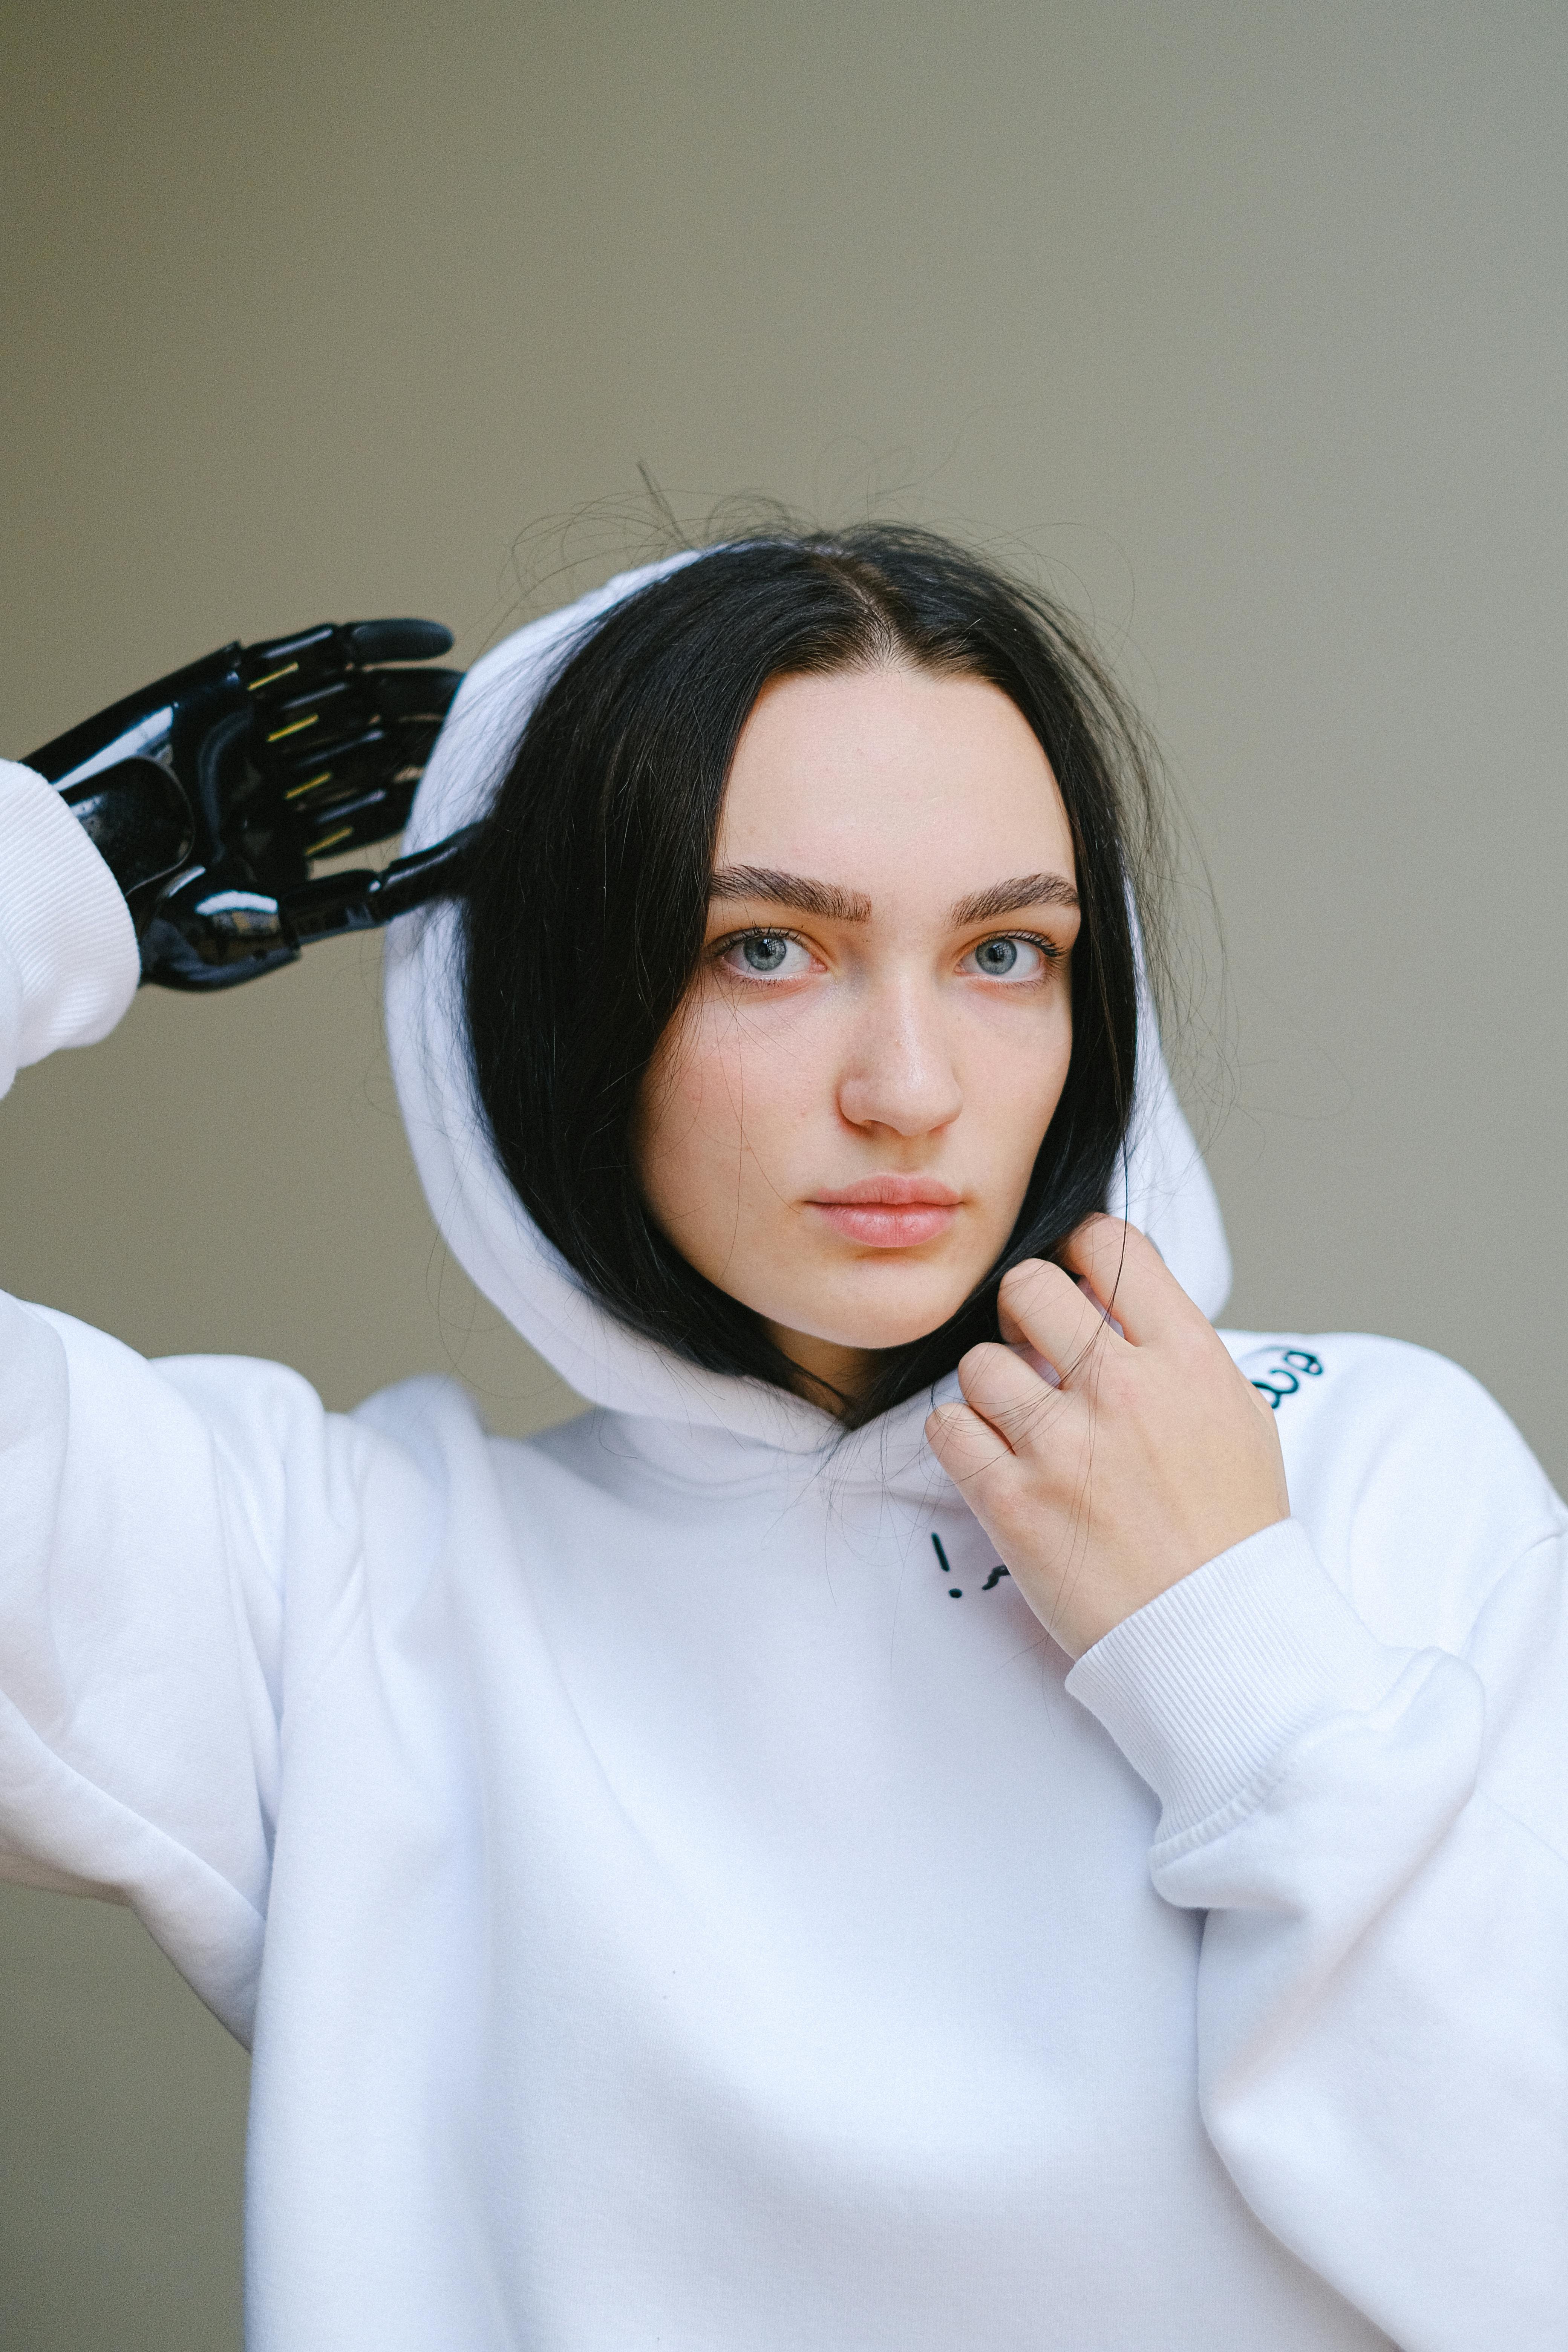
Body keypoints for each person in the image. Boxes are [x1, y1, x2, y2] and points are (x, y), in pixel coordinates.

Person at [0, 527, 1562, 2352]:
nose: (906, 1091)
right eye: (763, 946)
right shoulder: (332, 1593)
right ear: (560, 997)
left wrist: (1227, 1634)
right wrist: (46, 875)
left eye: (1001, 951)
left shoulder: (1372, 1472)